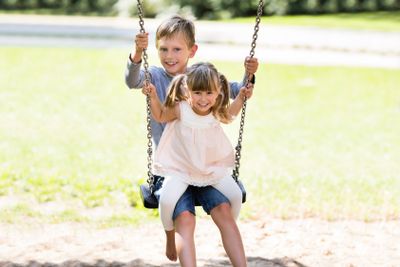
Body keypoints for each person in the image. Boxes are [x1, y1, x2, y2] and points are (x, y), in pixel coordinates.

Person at [125, 15, 258, 266]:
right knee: (185, 219)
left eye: (177, 49)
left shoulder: (203, 77)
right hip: (172, 166)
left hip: (205, 165)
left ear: (192, 50)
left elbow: (238, 91)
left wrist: (248, 74)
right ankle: (170, 236)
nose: (169, 55)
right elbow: (132, 81)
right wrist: (137, 52)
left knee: (225, 211)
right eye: (163, 49)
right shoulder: (153, 75)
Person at [143, 62, 251, 266]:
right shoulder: (180, 109)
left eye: (209, 93)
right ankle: (169, 237)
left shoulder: (216, 110)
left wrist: (241, 97)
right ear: (187, 89)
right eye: (198, 92)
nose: (203, 99)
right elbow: (159, 116)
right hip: (180, 169)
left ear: (219, 92)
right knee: (166, 201)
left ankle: (228, 233)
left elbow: (230, 116)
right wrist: (153, 96)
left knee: (235, 195)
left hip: (210, 169)